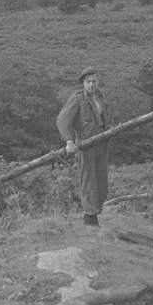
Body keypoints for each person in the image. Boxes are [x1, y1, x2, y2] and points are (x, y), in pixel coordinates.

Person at [56, 66, 110, 226]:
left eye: (94, 81)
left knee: (101, 181)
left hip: (102, 145)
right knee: (88, 181)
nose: (92, 85)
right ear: (83, 83)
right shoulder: (77, 98)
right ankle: (90, 218)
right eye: (88, 82)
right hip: (86, 146)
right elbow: (62, 120)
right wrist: (69, 141)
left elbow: (104, 120)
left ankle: (96, 214)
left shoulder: (100, 97)